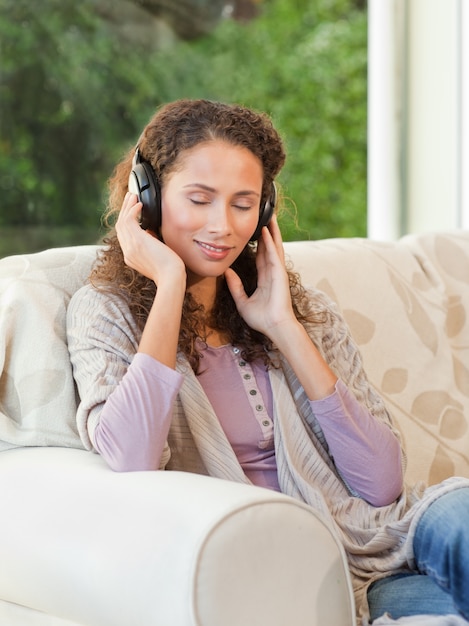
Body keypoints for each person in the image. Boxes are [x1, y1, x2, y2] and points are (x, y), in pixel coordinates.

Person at [66, 98, 469, 625]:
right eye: (199, 198)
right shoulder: (105, 311)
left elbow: (382, 485)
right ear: (148, 198)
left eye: (242, 203)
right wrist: (168, 286)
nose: (223, 226)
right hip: (307, 581)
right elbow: (131, 458)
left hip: (390, 536)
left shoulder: (303, 311)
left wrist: (284, 329)